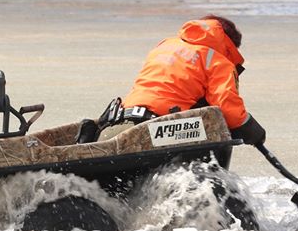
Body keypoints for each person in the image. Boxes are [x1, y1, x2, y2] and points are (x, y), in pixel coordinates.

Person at [94, 15, 265, 144]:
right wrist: (253, 131)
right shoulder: (218, 60)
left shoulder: (165, 46)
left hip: (115, 127)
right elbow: (228, 110)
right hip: (160, 133)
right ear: (230, 46)